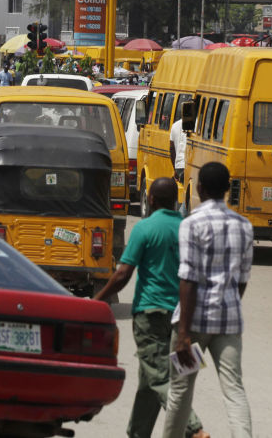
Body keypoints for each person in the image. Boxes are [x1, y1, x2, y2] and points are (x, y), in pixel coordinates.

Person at [94, 178, 208, 438]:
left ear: (152, 200)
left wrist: (97, 299)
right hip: (184, 320)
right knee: (153, 379)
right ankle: (137, 433)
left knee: (158, 378)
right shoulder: (189, 230)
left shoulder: (144, 228)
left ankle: (195, 429)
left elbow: (123, 274)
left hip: (150, 315)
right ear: (175, 201)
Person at [163, 162, 253, 438]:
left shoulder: (192, 223)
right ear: (228, 190)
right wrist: (227, 305)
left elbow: (188, 279)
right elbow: (241, 280)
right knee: (234, 390)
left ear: (199, 188)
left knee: (181, 390)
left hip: (194, 324)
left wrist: (184, 334)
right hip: (228, 323)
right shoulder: (244, 226)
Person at [169, 115, 186, 183]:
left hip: (179, 165)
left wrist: (175, 167)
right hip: (190, 166)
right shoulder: (198, 124)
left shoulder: (175, 125)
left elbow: (171, 149)